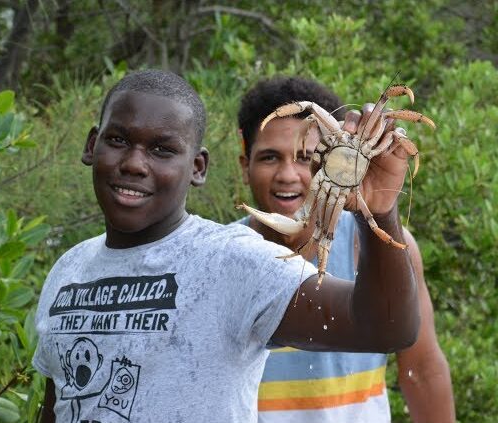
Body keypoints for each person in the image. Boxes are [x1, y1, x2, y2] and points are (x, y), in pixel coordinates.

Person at [32, 69, 420, 423]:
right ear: (90, 146)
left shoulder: (231, 260)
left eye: (162, 149)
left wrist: (381, 211)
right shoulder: (68, 271)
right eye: (118, 140)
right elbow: (60, 404)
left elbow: (385, 329)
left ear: (198, 168)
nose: (134, 163)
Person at [236, 76, 455, 423]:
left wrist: (383, 208)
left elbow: (423, 370)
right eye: (269, 158)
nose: (288, 174)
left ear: (324, 157)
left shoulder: (381, 246)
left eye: (305, 157)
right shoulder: (224, 256)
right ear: (243, 165)